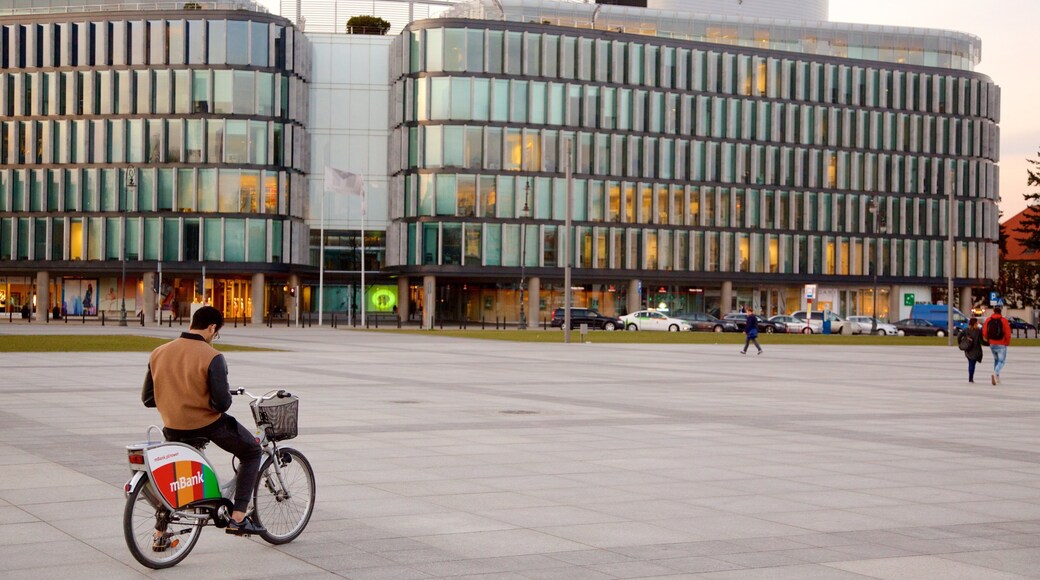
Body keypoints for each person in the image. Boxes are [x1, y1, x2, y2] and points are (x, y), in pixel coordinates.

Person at [141, 306, 265, 537]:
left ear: (191, 324)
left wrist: (176, 398)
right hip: (206, 425)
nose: (214, 337)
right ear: (211, 328)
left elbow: (148, 399)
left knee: (176, 476)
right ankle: (238, 517)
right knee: (252, 452)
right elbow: (222, 404)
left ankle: (160, 533)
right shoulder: (212, 356)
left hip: (172, 426)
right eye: (216, 333)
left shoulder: (158, 352)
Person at [981, 305, 1012, 385]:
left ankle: (997, 377)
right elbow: (1008, 333)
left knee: (996, 360)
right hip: (1001, 343)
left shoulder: (988, 320)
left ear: (993, 311)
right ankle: (996, 373)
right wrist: (1007, 342)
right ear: (1000, 311)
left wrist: (989, 339)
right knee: (1001, 361)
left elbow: (984, 332)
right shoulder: (1004, 320)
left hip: (992, 343)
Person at [959, 316, 984, 383]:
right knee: (972, 364)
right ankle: (970, 378)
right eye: (977, 323)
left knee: (970, 363)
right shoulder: (978, 331)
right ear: (975, 323)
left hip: (968, 349)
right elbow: (981, 341)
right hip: (975, 350)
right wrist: (988, 343)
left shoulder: (966, 330)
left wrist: (961, 343)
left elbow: (959, 336)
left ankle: (970, 378)